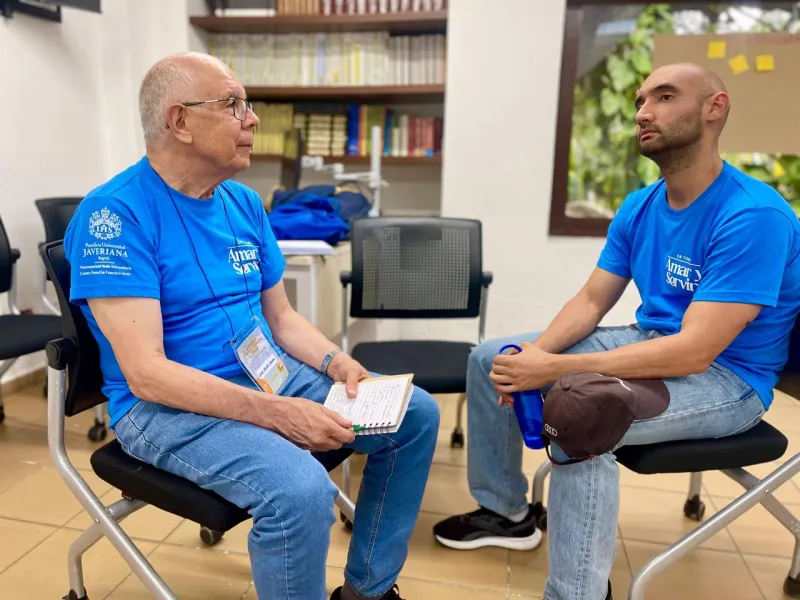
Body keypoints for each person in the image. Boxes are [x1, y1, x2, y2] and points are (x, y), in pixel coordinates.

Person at [63, 51, 440, 600]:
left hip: (264, 375)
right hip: (164, 408)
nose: (253, 119)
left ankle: (368, 590)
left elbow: (280, 319)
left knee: (415, 414)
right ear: (180, 121)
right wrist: (279, 414)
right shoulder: (113, 217)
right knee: (300, 492)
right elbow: (147, 374)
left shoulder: (242, 202)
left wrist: (338, 362)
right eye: (233, 105)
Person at [432, 62, 800, 600]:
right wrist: (532, 358)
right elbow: (590, 301)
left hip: (728, 379)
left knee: (583, 415)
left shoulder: (753, 215)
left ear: (714, 108)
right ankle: (506, 511)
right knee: (495, 357)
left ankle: (577, 593)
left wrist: (553, 368)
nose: (644, 113)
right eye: (639, 101)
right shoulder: (640, 205)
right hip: (651, 342)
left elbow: (696, 351)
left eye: (665, 97)